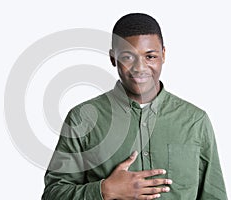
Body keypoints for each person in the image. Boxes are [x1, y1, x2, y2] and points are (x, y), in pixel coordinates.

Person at [42, 13, 227, 199]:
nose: (140, 67)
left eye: (150, 56)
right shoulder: (83, 118)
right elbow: (53, 194)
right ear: (113, 58)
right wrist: (105, 190)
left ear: (163, 54)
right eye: (128, 57)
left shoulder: (195, 120)